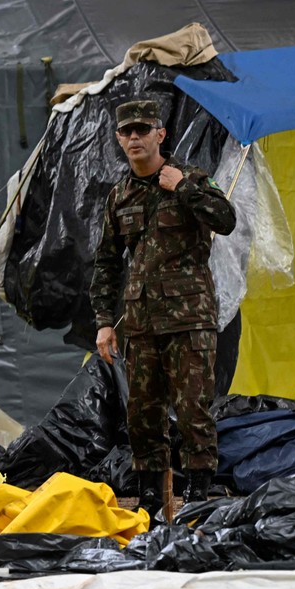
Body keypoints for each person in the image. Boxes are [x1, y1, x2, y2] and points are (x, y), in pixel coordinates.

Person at [90, 99, 236, 512]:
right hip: (141, 323)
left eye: (142, 130)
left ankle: (198, 499)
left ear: (160, 134)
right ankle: (153, 503)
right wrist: (104, 322)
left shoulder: (190, 178)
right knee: (142, 416)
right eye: (127, 132)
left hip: (189, 318)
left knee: (193, 410)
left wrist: (184, 188)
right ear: (119, 139)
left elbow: (227, 219)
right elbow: (105, 263)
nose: (134, 138)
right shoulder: (119, 195)